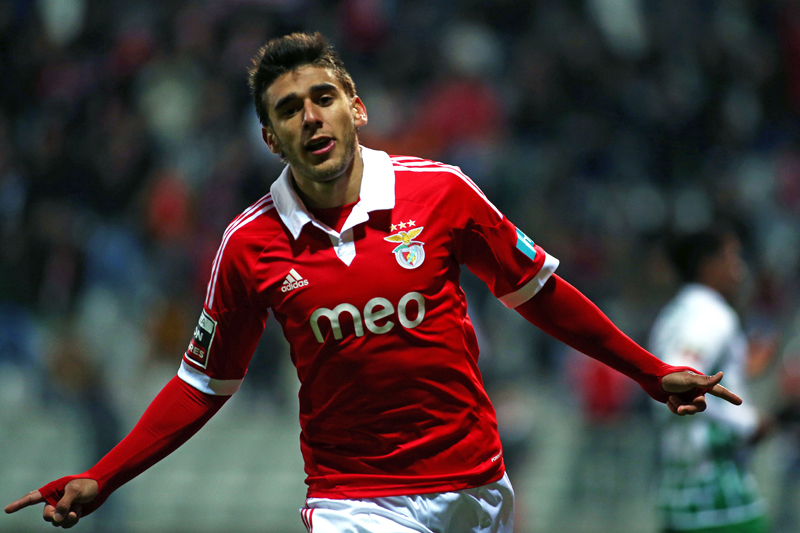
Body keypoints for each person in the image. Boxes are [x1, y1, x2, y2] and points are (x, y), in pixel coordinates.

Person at [5, 32, 742, 532]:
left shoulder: (443, 193)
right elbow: (201, 385)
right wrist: (104, 476)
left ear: (354, 105)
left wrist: (649, 372)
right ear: (271, 138)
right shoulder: (249, 245)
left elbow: (538, 290)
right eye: (288, 110)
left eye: (320, 98)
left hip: (474, 484)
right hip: (353, 502)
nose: (309, 117)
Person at [649, 228, 773, 533]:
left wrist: (744, 368)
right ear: (709, 265)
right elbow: (685, 381)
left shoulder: (671, 315)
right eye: (733, 257)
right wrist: (747, 423)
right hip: (717, 496)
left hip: (678, 488)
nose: (741, 270)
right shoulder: (712, 315)